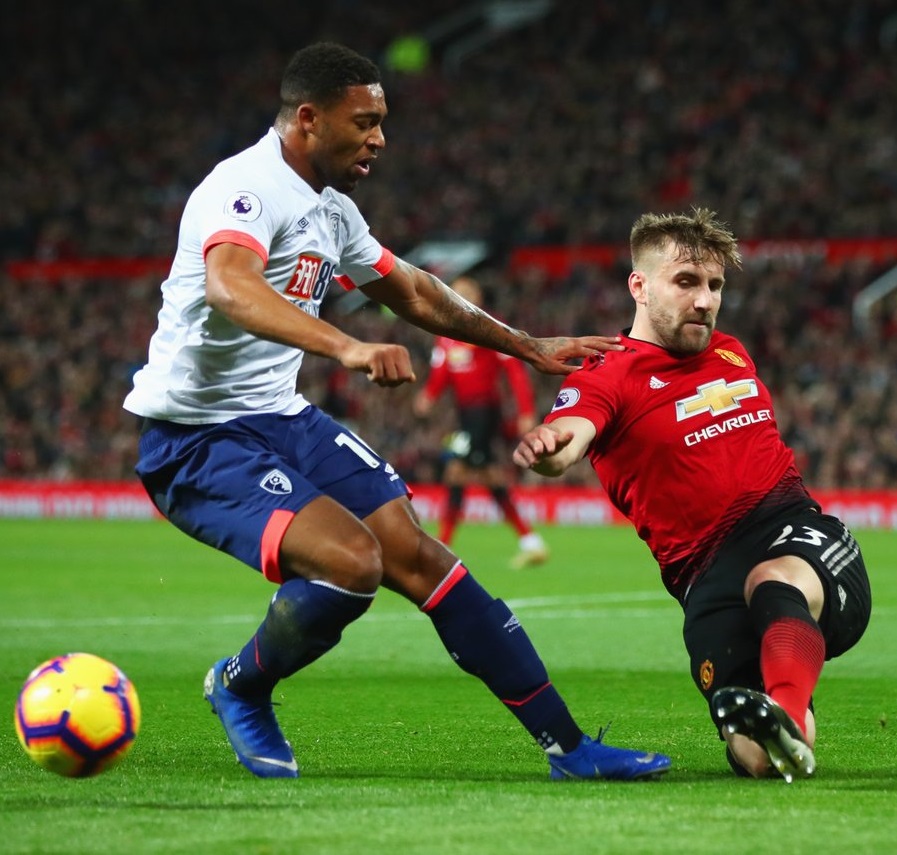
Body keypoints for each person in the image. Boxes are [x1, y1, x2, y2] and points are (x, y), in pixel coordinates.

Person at [123, 42, 671, 782]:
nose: (379, 138)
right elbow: (230, 287)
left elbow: (412, 291)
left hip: (281, 419)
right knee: (352, 563)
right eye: (365, 122)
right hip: (195, 437)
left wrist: (526, 346)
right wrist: (345, 346)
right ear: (309, 119)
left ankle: (569, 749)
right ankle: (240, 684)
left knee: (422, 558)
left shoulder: (332, 211)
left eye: (381, 122)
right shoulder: (243, 188)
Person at [513, 208, 871, 782]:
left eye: (715, 285)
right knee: (757, 752)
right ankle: (785, 728)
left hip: (799, 537)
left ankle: (782, 705)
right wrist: (552, 446)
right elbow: (571, 436)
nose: (705, 300)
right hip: (703, 581)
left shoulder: (730, 351)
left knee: (773, 582)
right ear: (639, 286)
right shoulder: (606, 376)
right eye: (686, 282)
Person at [413, 275, 549, 569]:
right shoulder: (444, 334)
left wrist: (526, 410)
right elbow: (442, 372)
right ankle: (531, 541)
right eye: (455, 292)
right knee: (490, 477)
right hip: (465, 415)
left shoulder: (489, 327)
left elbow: (514, 369)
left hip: (485, 413)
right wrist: (429, 395)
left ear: (477, 298)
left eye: (466, 292)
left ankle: (442, 548)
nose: (459, 297)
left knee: (456, 471)